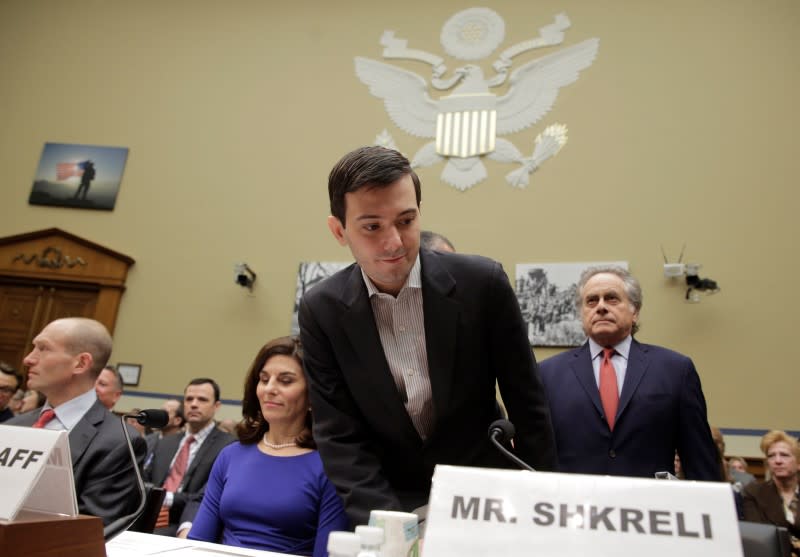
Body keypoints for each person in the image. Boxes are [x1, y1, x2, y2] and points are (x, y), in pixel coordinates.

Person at [298, 145, 557, 525]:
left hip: (484, 494)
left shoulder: (483, 284)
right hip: (388, 497)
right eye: (372, 226)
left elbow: (528, 405)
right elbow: (339, 435)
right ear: (339, 230)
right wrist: (390, 526)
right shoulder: (321, 310)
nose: (394, 243)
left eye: (406, 221)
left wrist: (542, 505)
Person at [539, 265, 719, 480]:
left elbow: (700, 459)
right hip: (575, 507)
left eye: (612, 298)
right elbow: (537, 455)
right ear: (582, 314)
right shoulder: (548, 374)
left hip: (649, 507)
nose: (601, 307)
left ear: (635, 311)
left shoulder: (675, 370)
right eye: (592, 301)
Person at [188, 336, 349, 556]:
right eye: (264, 379)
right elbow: (198, 542)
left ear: (313, 395)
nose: (269, 389)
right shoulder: (231, 455)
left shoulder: (331, 465)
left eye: (285, 381)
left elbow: (327, 553)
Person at [6, 317, 146, 526]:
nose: (28, 359)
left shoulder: (119, 443)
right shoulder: (12, 427)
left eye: (43, 349)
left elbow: (88, 530)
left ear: (81, 363)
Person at [145, 378, 234, 536]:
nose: (194, 404)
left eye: (202, 399)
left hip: (188, 524)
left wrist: (164, 499)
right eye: (189, 399)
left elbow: (209, 497)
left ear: (216, 406)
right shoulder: (165, 443)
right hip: (148, 517)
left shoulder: (228, 446)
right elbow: (144, 480)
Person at [742, 430, 800, 555]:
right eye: (771, 456)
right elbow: (757, 537)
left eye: (784, 455)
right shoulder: (754, 493)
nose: (777, 461)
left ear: (798, 463)